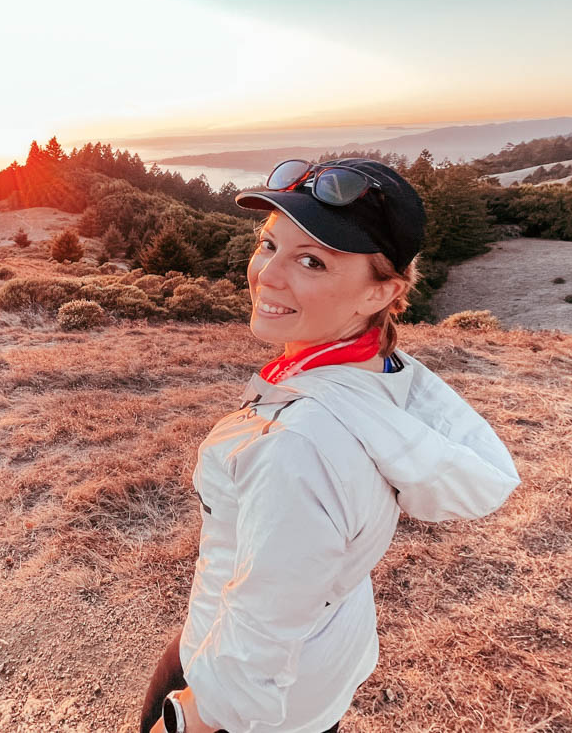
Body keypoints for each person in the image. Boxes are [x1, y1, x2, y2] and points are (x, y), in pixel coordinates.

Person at [139, 158, 522, 733]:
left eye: (312, 261)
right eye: (270, 245)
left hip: (254, 696)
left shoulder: (296, 445)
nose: (267, 275)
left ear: (380, 293)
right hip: (317, 665)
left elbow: (263, 630)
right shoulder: (386, 371)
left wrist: (195, 715)